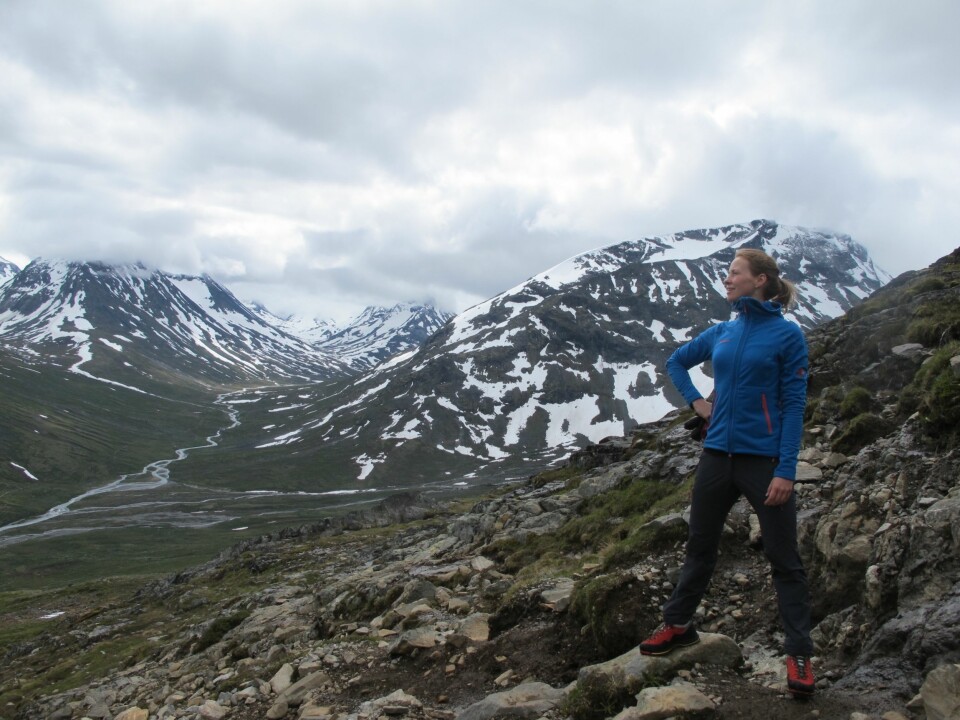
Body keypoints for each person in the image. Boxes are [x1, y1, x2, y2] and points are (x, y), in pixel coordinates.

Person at [638, 247, 815, 698]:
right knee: (700, 545)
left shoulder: (787, 336)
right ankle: (678, 624)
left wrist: (787, 470)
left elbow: (795, 405)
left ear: (759, 280)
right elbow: (677, 361)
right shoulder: (724, 331)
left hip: (765, 462)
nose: (727, 280)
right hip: (716, 455)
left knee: (784, 559)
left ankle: (798, 654)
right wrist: (698, 403)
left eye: (734, 273)